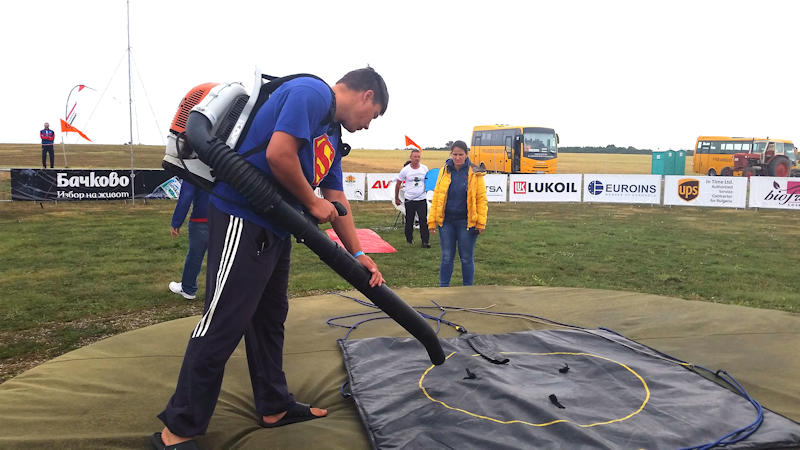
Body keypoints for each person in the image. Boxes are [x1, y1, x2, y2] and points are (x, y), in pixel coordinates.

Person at [153, 67, 388, 449]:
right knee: (223, 322)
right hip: (242, 218)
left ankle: (273, 405)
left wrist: (357, 253)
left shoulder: (329, 131)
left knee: (269, 318)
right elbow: (279, 155)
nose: (367, 125)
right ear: (366, 96)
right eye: (372, 116)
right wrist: (310, 203)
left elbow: (336, 199)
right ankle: (177, 430)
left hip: (275, 229)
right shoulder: (312, 93)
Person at [427, 140, 487, 287]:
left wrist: (480, 222)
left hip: (466, 222)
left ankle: (468, 289)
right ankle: (443, 288)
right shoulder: (444, 171)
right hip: (446, 222)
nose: (457, 157)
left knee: (466, 258)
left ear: (466, 155)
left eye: (461, 154)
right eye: (455, 154)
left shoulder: (475, 173)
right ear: (451, 154)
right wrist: (431, 220)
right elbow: (437, 197)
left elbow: (481, 199)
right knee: (446, 257)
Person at [168, 179, 210, 300]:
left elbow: (186, 196)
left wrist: (176, 222)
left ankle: (188, 288)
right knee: (221, 258)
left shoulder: (193, 169)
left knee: (195, 257)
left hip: (200, 220)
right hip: (223, 219)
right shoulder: (224, 166)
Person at [394, 149, 430, 247]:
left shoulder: (424, 168)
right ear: (411, 157)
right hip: (409, 200)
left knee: (423, 220)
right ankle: (409, 239)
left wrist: (426, 190)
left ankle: (425, 241)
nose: (417, 159)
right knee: (409, 220)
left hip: (421, 199)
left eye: (418, 157)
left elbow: (427, 181)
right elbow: (398, 184)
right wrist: (396, 198)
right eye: (415, 157)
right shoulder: (405, 170)